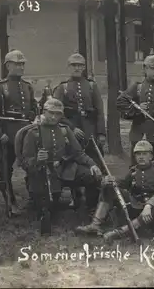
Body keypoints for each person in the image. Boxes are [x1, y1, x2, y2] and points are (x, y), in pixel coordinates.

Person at [20, 98, 103, 234]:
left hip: (65, 169)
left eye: (57, 114)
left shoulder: (65, 130)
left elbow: (78, 153)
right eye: (51, 113)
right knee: (48, 207)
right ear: (44, 112)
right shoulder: (33, 133)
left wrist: (93, 164)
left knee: (91, 176)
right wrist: (38, 159)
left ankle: (90, 210)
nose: (54, 117)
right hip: (42, 173)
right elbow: (25, 162)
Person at [75, 139, 154, 242]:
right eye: (138, 154)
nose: (141, 157)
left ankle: (119, 233)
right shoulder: (133, 170)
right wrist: (113, 180)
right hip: (136, 204)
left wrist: (149, 205)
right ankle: (95, 225)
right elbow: (125, 184)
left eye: (144, 154)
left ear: (151, 156)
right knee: (109, 188)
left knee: (151, 213)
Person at [0, 50, 38, 215]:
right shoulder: (1, 87)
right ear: (8, 66)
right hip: (8, 135)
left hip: (26, 135)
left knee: (33, 165)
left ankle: (35, 200)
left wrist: (32, 114)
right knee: (6, 170)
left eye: (22, 64)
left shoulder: (27, 86)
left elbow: (33, 108)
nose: (21, 67)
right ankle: (10, 203)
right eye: (17, 64)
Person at [52, 52, 106, 214]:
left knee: (95, 166)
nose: (77, 68)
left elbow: (99, 111)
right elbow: (56, 112)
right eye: (74, 65)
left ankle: (93, 203)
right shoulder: (62, 87)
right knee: (72, 167)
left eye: (80, 65)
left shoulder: (91, 86)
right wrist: (71, 128)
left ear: (84, 68)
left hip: (91, 135)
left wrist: (101, 133)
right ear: (68, 67)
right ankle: (76, 198)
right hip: (71, 135)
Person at [116, 50, 154, 164]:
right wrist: (136, 109)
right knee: (137, 170)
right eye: (152, 68)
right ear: (145, 69)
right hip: (138, 135)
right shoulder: (137, 87)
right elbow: (120, 102)